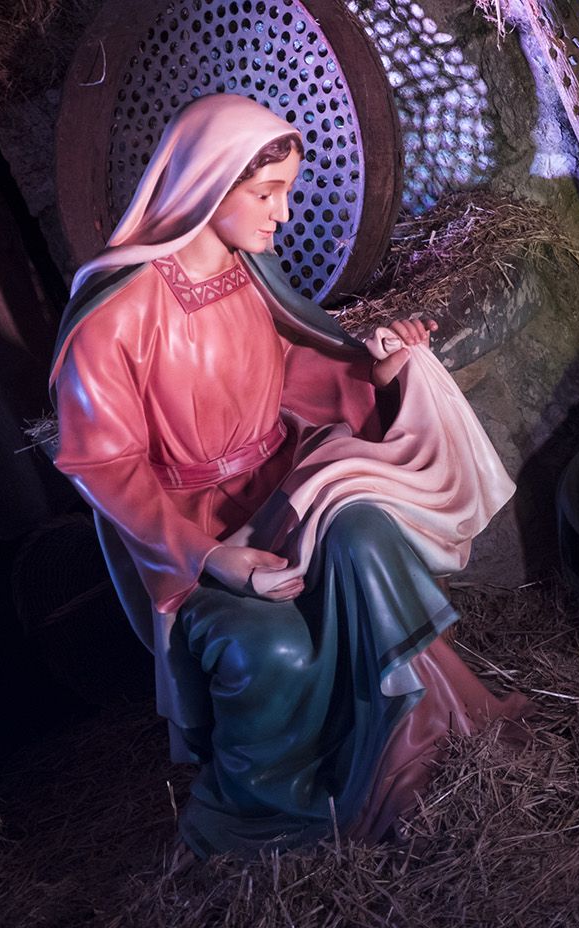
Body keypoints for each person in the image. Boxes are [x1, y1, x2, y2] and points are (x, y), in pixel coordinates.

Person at [50, 94, 530, 858]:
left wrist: (378, 371)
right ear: (210, 184)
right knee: (274, 650)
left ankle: (425, 739)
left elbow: (291, 372)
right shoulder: (113, 319)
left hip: (279, 495)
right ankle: (262, 821)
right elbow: (105, 468)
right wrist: (213, 558)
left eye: (287, 193)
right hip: (193, 544)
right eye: (266, 194)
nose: (281, 214)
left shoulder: (248, 277)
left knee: (367, 532)